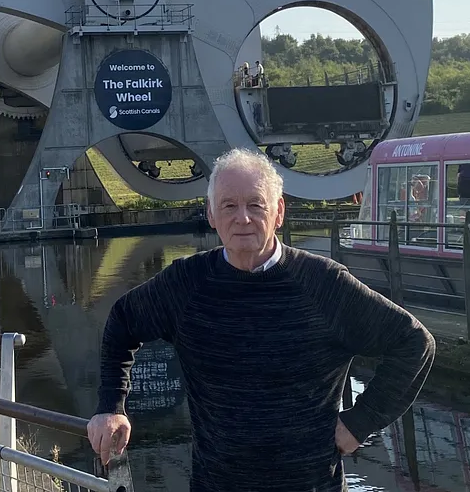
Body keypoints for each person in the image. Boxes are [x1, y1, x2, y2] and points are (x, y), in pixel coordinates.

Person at [88, 148, 435, 492]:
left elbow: (414, 343)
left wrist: (361, 422)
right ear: (211, 214)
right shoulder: (186, 284)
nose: (243, 218)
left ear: (279, 212)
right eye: (229, 206)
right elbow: (122, 322)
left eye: (256, 204)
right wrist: (110, 406)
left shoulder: (323, 285)